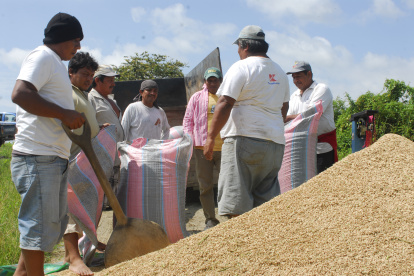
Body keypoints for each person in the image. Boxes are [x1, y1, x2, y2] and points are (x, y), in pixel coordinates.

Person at [10, 12, 85, 276]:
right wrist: (64, 114)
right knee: (37, 226)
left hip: (50, 158)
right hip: (37, 157)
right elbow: (20, 94)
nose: (78, 48)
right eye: (76, 41)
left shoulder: (53, 63)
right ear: (63, 38)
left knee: (45, 225)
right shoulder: (42, 56)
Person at [203, 25, 290, 218]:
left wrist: (210, 138)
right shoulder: (280, 73)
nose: (237, 51)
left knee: (235, 208)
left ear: (244, 46)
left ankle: (237, 247)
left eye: (238, 47)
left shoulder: (242, 67)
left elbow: (225, 103)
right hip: (275, 145)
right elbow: (283, 109)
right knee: (265, 209)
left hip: (244, 141)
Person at [64, 51, 102, 276]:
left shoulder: (82, 94)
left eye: (91, 75)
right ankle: (74, 259)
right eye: (85, 74)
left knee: (81, 207)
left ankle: (73, 255)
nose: (89, 79)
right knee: (71, 208)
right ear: (71, 73)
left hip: (84, 157)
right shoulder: (66, 93)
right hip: (71, 157)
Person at [183, 67, 223, 230]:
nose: (212, 83)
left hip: (224, 146)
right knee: (205, 185)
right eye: (209, 80)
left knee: (228, 183)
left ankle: (230, 214)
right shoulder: (197, 97)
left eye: (215, 80)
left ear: (220, 81)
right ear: (205, 82)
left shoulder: (226, 95)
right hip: (201, 147)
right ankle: (210, 219)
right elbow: (188, 120)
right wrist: (189, 140)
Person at [285, 61, 337, 173]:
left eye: (298, 76)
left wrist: (288, 118)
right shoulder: (294, 96)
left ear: (309, 74)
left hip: (321, 147)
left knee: (322, 182)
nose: (295, 81)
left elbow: (311, 115)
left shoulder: (321, 89)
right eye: (293, 78)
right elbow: (288, 122)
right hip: (300, 148)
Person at [88, 65, 124, 210]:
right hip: (102, 160)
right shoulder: (90, 99)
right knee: (99, 204)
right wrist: (100, 126)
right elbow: (86, 125)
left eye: (114, 80)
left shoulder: (111, 101)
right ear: (97, 80)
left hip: (116, 158)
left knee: (116, 201)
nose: (113, 84)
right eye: (109, 80)